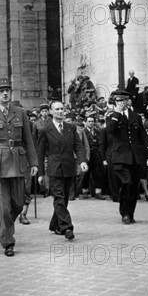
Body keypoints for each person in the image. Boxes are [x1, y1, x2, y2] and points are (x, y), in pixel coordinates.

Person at [0, 78, 38, 257]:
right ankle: (7, 241)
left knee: (18, 203)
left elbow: (28, 141)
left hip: (18, 161)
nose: (5, 93)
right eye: (1, 91)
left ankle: (5, 226)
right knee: (3, 207)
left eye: (7, 90)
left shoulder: (20, 113)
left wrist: (33, 163)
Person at [105, 90, 148, 224]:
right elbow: (111, 131)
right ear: (115, 102)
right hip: (120, 157)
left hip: (135, 156)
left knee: (134, 186)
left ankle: (130, 213)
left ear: (128, 101)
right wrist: (117, 112)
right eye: (118, 101)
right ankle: (124, 213)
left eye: (123, 100)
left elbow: (143, 136)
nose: (121, 103)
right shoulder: (111, 115)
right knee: (126, 182)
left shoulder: (135, 116)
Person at [37, 101, 87, 240]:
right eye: (57, 109)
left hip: (69, 167)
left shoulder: (71, 128)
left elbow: (78, 146)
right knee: (58, 197)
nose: (60, 111)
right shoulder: (45, 130)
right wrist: (40, 173)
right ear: (51, 112)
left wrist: (82, 161)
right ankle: (67, 227)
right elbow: (40, 153)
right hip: (54, 168)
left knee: (64, 199)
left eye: (62, 109)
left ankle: (54, 224)